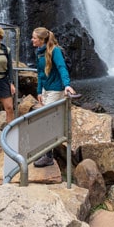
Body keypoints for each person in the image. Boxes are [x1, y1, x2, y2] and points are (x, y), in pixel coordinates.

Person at [31, 26, 76, 167]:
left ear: (42, 39)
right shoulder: (39, 52)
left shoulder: (55, 51)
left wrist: (67, 84)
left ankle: (48, 157)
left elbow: (62, 67)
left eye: (34, 38)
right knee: (47, 119)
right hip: (46, 90)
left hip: (56, 90)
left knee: (47, 121)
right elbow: (40, 73)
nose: (32, 40)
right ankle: (47, 152)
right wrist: (39, 91)